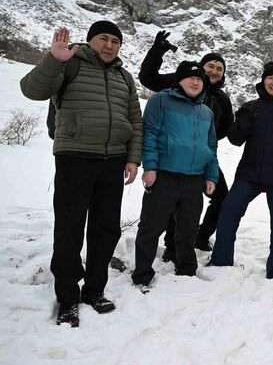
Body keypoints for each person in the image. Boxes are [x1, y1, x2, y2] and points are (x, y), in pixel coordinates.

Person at [20, 21, 143, 327]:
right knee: (69, 229)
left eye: (115, 41)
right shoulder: (69, 64)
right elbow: (32, 90)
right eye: (104, 38)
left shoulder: (124, 77)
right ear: (90, 41)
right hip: (75, 157)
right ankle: (67, 296)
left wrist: (132, 158)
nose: (110, 45)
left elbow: (134, 120)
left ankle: (94, 290)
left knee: (106, 230)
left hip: (113, 161)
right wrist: (54, 59)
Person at [209, 61, 273, 281]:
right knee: (229, 211)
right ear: (263, 81)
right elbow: (235, 140)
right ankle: (221, 262)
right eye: (270, 78)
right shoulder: (251, 107)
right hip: (250, 174)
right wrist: (241, 124)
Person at [138, 31, 233, 259]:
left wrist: (201, 145)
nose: (214, 71)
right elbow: (148, 78)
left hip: (202, 159)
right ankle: (172, 248)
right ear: (202, 67)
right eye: (210, 66)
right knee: (174, 203)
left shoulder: (221, 99)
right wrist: (157, 51)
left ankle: (201, 236)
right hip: (171, 159)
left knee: (222, 197)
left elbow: (225, 128)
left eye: (219, 69)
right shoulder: (181, 83)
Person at [130, 61, 218, 290]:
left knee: (188, 228)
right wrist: (150, 167)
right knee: (151, 226)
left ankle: (186, 270)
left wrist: (211, 176)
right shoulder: (160, 100)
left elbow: (210, 147)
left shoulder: (206, 112)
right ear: (179, 80)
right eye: (191, 78)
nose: (196, 82)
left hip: (194, 178)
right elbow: (149, 134)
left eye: (199, 79)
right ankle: (142, 275)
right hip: (164, 175)